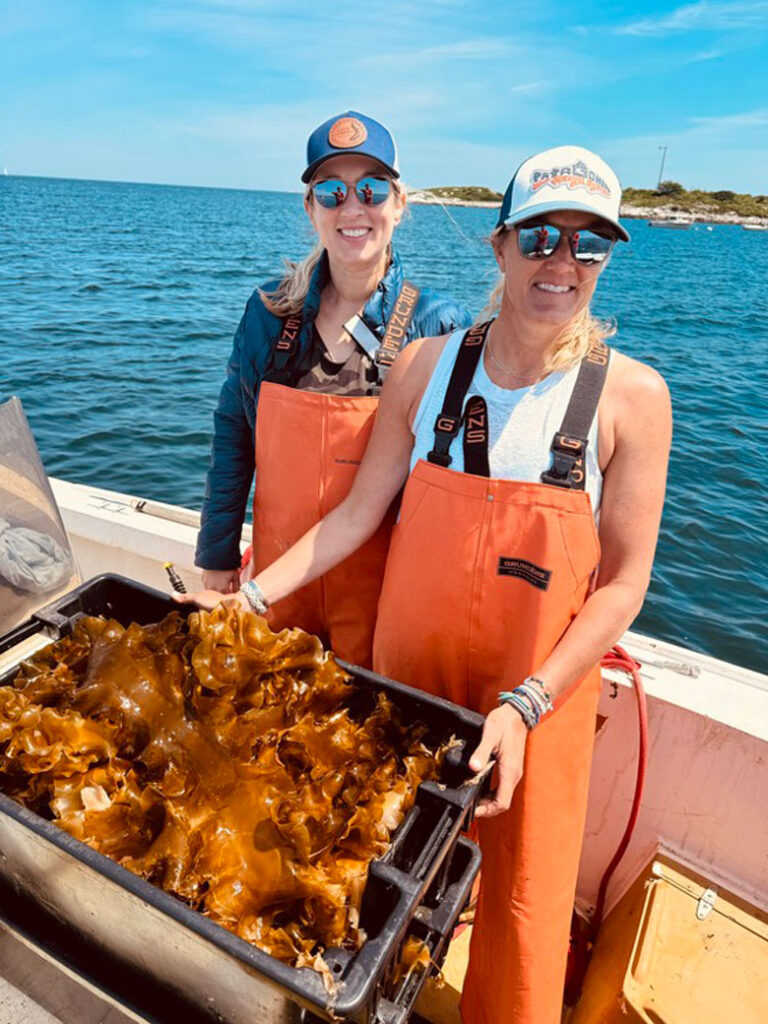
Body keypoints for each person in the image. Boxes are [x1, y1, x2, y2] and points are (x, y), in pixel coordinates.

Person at [181, 145, 672, 1023]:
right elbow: (354, 516)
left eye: (589, 245)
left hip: (536, 699)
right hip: (408, 683)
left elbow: (624, 585)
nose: (560, 263)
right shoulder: (426, 365)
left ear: (609, 255)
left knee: (523, 913)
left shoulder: (633, 398)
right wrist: (244, 598)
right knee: (369, 880)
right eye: (540, 237)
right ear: (500, 245)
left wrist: (526, 703)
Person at [194, 111, 471, 667]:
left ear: (398, 204)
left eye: (371, 189)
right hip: (275, 580)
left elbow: (453, 489)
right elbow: (234, 436)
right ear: (310, 208)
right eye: (331, 191)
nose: (353, 208)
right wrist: (217, 555)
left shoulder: (439, 323)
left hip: (387, 591)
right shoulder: (270, 312)